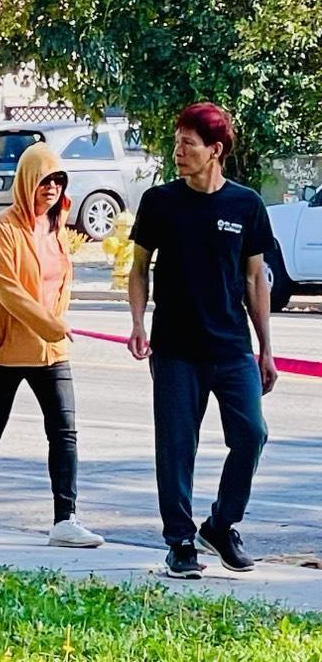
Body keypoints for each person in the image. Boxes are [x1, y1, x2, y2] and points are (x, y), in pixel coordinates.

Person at [127, 101, 277, 579]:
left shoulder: (245, 204)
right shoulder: (160, 203)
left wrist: (265, 349)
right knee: (176, 447)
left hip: (231, 347)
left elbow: (256, 280)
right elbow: (138, 268)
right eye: (176, 143)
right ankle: (180, 542)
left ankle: (221, 524)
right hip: (174, 348)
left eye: (188, 145)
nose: (178, 152)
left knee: (252, 434)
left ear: (215, 151)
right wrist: (136, 321)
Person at [0, 144, 103, 547]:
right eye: (44, 179)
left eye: (58, 180)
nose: (51, 188)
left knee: (64, 432)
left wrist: (53, 327)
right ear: (28, 181)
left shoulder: (58, 231)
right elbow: (7, 288)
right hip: (6, 348)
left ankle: (65, 519)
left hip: (50, 350)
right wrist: (50, 323)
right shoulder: (3, 227)